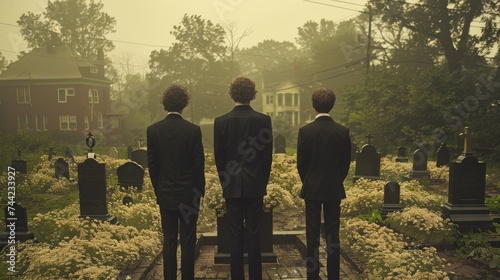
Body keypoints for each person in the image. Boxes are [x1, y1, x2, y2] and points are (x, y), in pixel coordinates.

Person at [214, 77, 273, 280]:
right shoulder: (263, 121)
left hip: (231, 184)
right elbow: (267, 157)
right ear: (252, 94)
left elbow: (219, 158)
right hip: (255, 184)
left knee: (235, 235)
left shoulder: (221, 122)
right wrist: (261, 182)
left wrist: (225, 182)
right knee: (255, 233)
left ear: (233, 94)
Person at [147, 84, 205, 280]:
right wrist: (200, 192)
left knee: (169, 240)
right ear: (184, 104)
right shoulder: (193, 131)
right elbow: (198, 166)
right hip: (189, 196)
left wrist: (159, 191)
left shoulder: (153, 130)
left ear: (165, 104)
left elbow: (153, 167)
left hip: (166, 195)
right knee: (188, 240)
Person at [297, 88, 351, 280]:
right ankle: (333, 276)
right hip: (333, 188)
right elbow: (345, 164)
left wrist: (309, 181)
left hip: (312, 187)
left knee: (311, 234)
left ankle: (312, 275)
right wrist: (336, 180)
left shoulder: (305, 131)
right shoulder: (342, 132)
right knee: (332, 234)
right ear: (332, 105)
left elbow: (301, 164)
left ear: (313, 105)